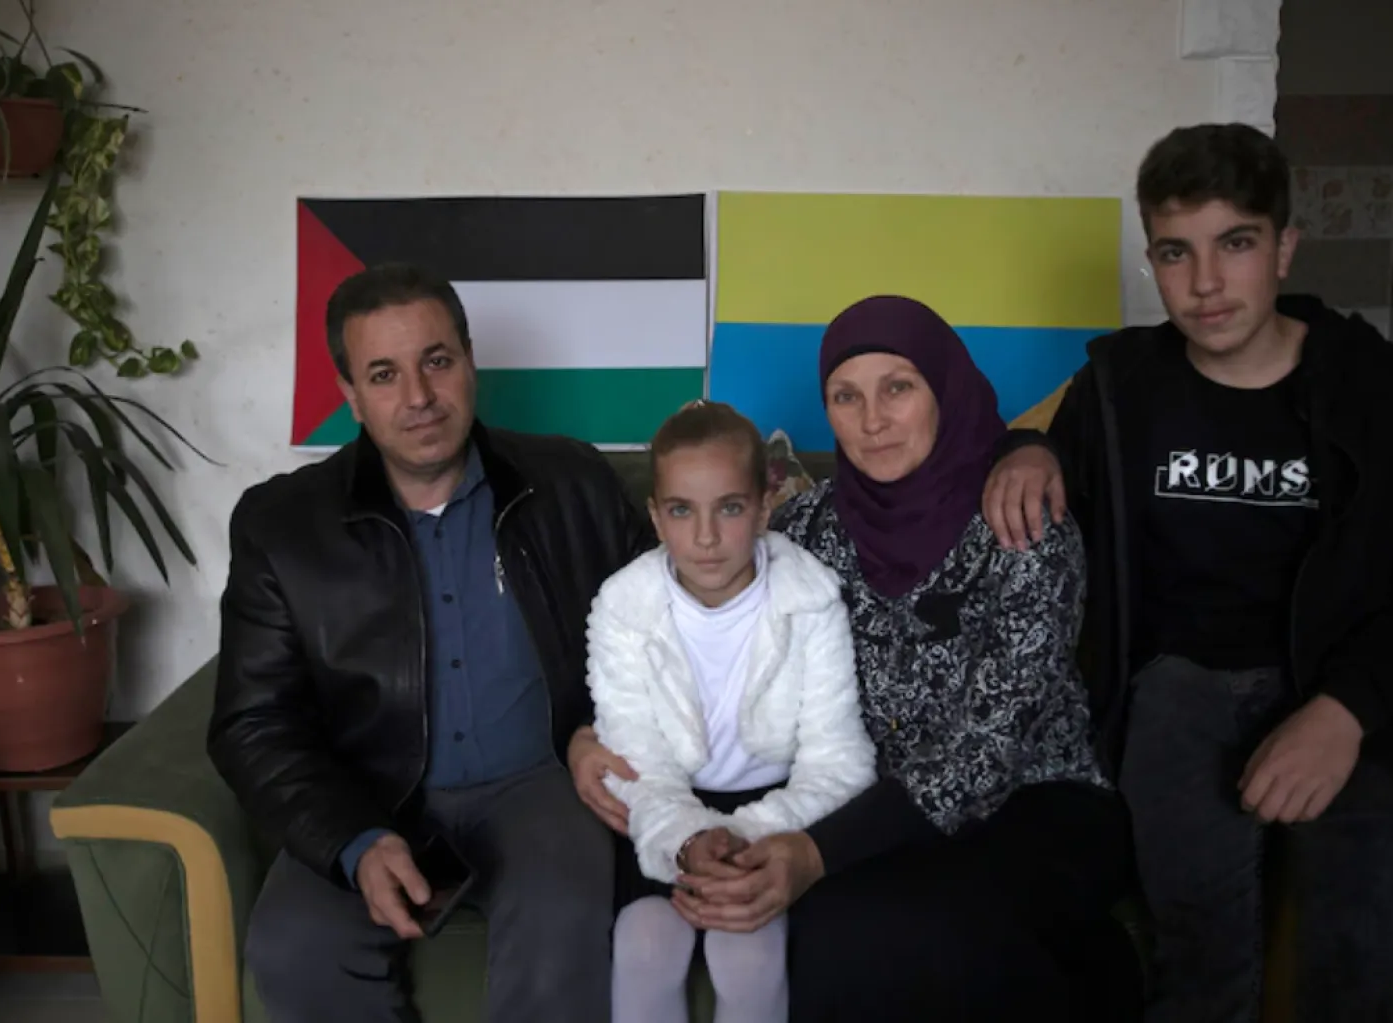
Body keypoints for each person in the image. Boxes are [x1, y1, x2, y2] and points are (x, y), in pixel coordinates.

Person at [982, 123, 1393, 1022]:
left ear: (1286, 245)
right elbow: (1035, 432)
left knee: (1349, 945)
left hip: (1345, 691)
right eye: (1177, 252)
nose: (1205, 283)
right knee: (1199, 955)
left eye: (1236, 244)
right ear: (1153, 258)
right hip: (1178, 692)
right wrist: (1025, 448)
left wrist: (1345, 711)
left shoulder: (1388, 391)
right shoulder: (1120, 383)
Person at [572, 295, 1140, 1021]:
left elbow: (989, 750)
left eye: (898, 387)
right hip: (866, 803)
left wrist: (814, 851)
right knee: (822, 931)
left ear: (946, 389)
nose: (871, 420)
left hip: (1032, 799)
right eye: (846, 396)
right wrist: (592, 735)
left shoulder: (1022, 524)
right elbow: (686, 625)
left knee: (916, 928)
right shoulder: (808, 529)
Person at [208, 262, 652, 1023]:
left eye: (436, 361)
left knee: (564, 915)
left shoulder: (573, 482)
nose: (418, 397)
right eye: (384, 374)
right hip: (365, 787)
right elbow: (254, 721)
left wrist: (599, 735)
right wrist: (352, 839)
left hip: (543, 780)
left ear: (470, 360)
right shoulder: (281, 526)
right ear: (348, 393)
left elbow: (665, 643)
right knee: (293, 949)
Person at [588, 399, 877, 1023]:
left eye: (731, 508)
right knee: (644, 940)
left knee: (747, 949)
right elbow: (633, 756)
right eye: (682, 511)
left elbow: (841, 760)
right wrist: (688, 839)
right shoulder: (625, 607)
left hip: (776, 815)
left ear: (765, 508)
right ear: (656, 517)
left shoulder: (810, 598)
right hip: (665, 812)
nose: (707, 537)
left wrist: (745, 839)